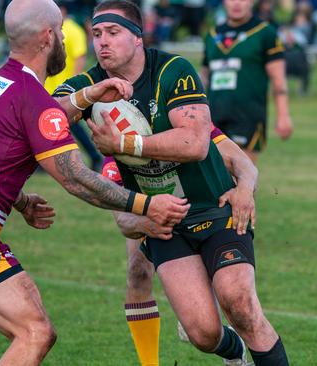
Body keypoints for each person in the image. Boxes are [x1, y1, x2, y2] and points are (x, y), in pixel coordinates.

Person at [0, 1, 189, 364]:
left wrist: (20, 200)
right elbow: (77, 179)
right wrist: (148, 205)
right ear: (49, 37)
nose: (69, 45)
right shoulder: (32, 98)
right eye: (64, 34)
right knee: (35, 333)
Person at [53, 1, 289, 365]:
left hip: (215, 206)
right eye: (96, 34)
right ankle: (232, 350)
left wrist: (124, 145)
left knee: (239, 304)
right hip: (165, 224)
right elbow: (45, 116)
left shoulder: (173, 70)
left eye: (113, 33)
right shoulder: (92, 83)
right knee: (203, 334)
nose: (102, 42)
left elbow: (196, 145)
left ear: (136, 37)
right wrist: (87, 96)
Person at [99, 127, 258, 366]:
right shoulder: (120, 138)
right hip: (148, 205)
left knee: (216, 304)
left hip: (201, 208)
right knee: (138, 272)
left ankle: (213, 325)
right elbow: (122, 220)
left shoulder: (183, 116)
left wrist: (244, 189)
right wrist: (146, 223)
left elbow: (239, 160)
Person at [202, 0, 293, 164]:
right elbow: (204, 77)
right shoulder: (212, 34)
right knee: (215, 182)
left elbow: (278, 80)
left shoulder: (265, 33)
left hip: (248, 116)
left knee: (243, 178)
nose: (237, 3)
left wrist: (283, 115)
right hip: (214, 115)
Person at [45, 2, 104, 172]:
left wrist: (72, 82)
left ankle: (94, 156)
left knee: (71, 126)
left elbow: (80, 57)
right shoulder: (56, 29)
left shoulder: (72, 30)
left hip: (64, 89)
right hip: (51, 87)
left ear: (62, 11)